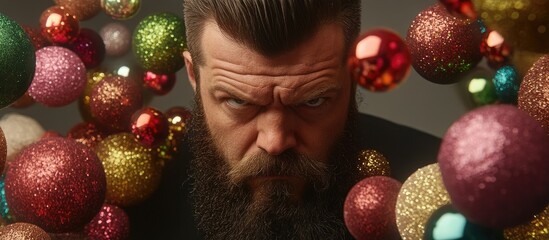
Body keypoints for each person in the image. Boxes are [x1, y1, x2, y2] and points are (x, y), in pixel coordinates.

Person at [127, 1, 440, 239]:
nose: (275, 141)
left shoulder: (443, 200)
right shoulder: (126, 212)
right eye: (238, 101)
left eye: (312, 101)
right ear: (194, 75)